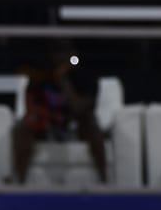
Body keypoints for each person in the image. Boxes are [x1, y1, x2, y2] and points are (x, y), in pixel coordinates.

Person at [11, 43, 107, 184]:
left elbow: (80, 107)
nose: (61, 57)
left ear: (73, 54)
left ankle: (104, 179)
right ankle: (19, 182)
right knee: (24, 127)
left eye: (66, 53)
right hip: (47, 120)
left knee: (91, 124)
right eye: (57, 53)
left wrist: (63, 79)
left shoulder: (85, 75)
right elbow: (30, 101)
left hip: (75, 122)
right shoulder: (43, 73)